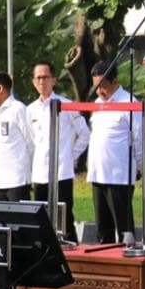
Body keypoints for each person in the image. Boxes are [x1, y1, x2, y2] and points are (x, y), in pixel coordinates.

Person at [27, 60, 90, 242]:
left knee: (64, 218)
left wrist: (72, 156)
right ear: (33, 82)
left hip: (62, 171)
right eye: (38, 78)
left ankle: (72, 251)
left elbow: (84, 134)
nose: (42, 81)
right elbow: (32, 140)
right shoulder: (30, 109)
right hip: (40, 172)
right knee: (42, 218)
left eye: (45, 77)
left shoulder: (66, 105)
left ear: (53, 80)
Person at [87, 61, 144, 245]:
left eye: (102, 86)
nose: (99, 91)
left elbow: (139, 138)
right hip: (98, 173)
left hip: (119, 175)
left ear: (114, 81)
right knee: (103, 230)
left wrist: (139, 166)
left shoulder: (129, 102)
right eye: (96, 86)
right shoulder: (97, 103)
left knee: (124, 230)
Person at [0, 71, 32, 202]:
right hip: (0, 180)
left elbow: (31, 142)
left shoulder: (18, 109)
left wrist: (29, 172)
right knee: (1, 215)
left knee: (19, 215)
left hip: (18, 180)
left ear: (0, 88)